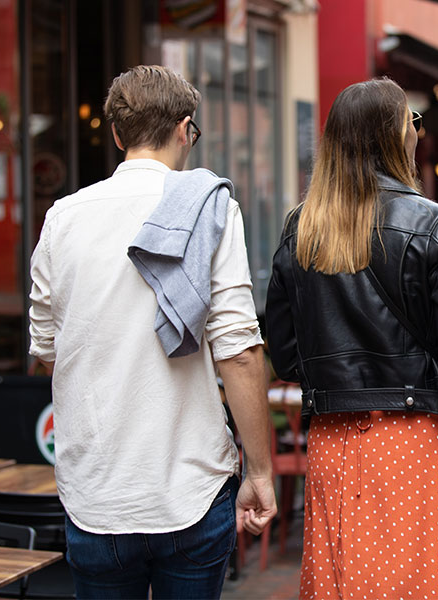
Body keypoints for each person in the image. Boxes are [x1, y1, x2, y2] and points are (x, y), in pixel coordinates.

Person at [28, 65, 276, 598]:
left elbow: (47, 347)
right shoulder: (214, 209)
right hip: (191, 485)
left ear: (117, 135)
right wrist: (259, 470)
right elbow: (237, 350)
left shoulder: (62, 219)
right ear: (186, 129)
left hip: (96, 493)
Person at [265, 78, 438, 599]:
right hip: (412, 439)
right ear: (397, 135)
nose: (417, 132)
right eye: (413, 121)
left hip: (331, 439)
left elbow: (286, 354)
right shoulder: (435, 226)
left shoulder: (301, 230)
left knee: (341, 582)